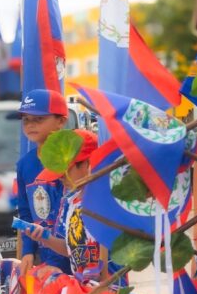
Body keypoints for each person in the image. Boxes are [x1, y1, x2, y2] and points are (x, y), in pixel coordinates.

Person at [25, 129, 123, 283]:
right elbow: (70, 250)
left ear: (88, 163)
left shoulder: (109, 200)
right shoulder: (70, 201)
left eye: (66, 171)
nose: (61, 177)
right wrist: (45, 237)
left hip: (110, 292)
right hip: (82, 290)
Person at [10, 89, 71, 275]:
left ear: (61, 121)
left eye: (38, 119)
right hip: (47, 260)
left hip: (78, 259)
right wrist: (28, 251)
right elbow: (26, 212)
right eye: (26, 120)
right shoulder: (24, 165)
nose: (30, 125)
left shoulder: (74, 159)